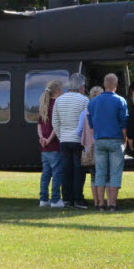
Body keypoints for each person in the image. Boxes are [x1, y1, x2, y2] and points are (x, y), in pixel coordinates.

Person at [87, 73, 129, 212]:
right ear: (116, 86)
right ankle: (112, 204)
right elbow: (124, 122)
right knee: (115, 173)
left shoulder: (93, 102)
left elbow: (91, 124)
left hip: (99, 140)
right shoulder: (120, 101)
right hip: (116, 140)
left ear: (104, 85)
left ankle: (100, 204)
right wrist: (125, 139)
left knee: (100, 173)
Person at [52, 73, 90, 209]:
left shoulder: (59, 100)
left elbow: (55, 122)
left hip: (64, 140)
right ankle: (78, 199)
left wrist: (61, 136)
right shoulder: (84, 100)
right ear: (81, 87)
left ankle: (67, 199)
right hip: (78, 140)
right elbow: (87, 121)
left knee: (65, 171)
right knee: (79, 171)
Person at [76, 86, 104, 209]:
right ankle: (102, 202)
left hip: (89, 148)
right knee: (102, 175)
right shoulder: (105, 111)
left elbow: (78, 131)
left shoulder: (85, 112)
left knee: (93, 176)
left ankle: (96, 202)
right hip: (102, 146)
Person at [37, 80, 64, 208]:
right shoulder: (57, 104)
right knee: (57, 173)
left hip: (44, 147)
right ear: (58, 91)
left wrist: (42, 137)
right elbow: (56, 125)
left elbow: (39, 125)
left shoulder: (44, 105)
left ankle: (43, 199)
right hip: (54, 145)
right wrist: (50, 139)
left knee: (45, 174)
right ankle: (55, 200)